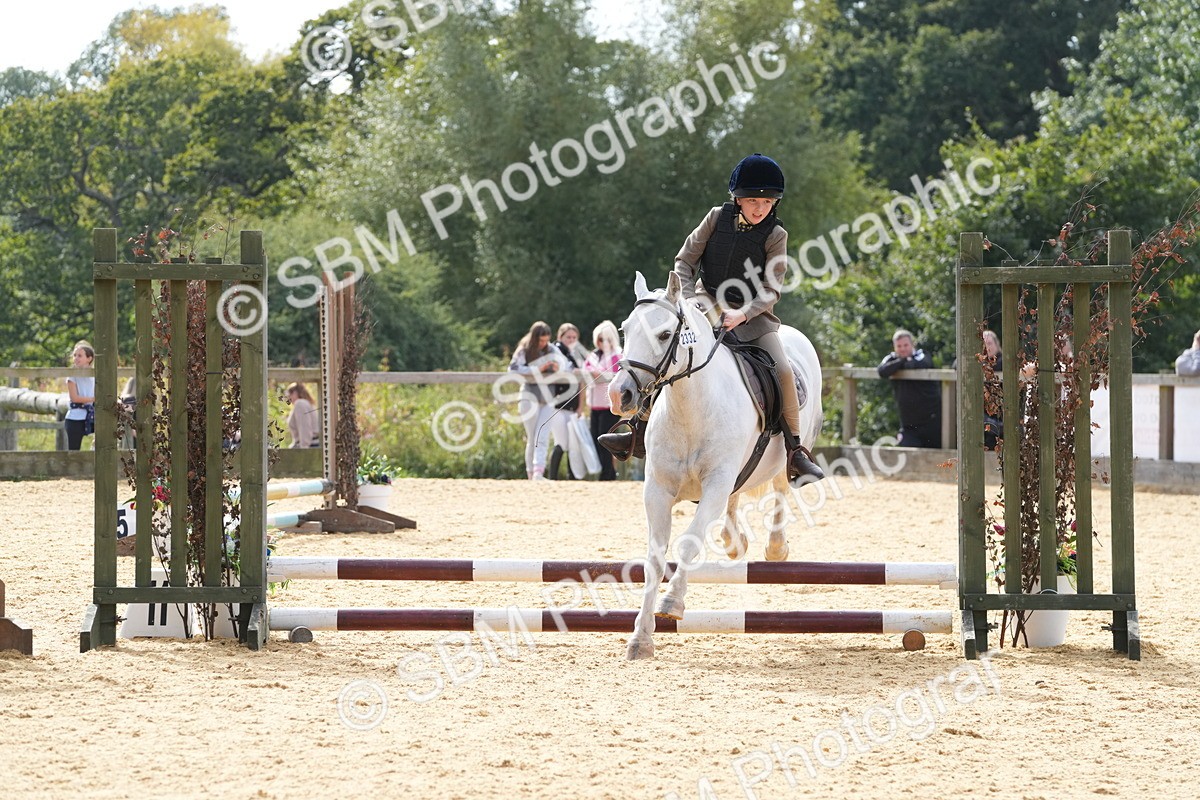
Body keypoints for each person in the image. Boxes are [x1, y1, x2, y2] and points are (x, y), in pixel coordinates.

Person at [598, 153, 825, 483]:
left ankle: (795, 452)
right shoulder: (716, 218)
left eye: (766, 201)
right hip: (703, 304)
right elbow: (684, 262)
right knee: (670, 357)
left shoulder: (776, 236)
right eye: (751, 200)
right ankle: (638, 430)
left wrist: (743, 313)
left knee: (785, 370)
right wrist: (691, 301)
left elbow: (771, 288)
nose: (759, 208)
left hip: (753, 316)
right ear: (738, 198)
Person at [509, 320, 568, 480]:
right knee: (532, 436)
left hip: (548, 397)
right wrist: (537, 369)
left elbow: (567, 365)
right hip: (529, 396)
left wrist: (558, 368)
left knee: (542, 436)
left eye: (546, 340)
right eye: (541, 340)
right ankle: (530, 472)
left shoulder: (551, 349)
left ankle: (538, 472)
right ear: (535, 338)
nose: (543, 344)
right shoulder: (524, 350)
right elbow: (513, 368)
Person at [878, 329, 942, 448]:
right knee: (906, 455)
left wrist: (900, 364)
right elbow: (882, 370)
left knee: (938, 460)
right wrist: (902, 360)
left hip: (932, 421)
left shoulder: (922, 354)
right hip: (909, 425)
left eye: (906, 345)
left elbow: (920, 364)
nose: (902, 349)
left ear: (912, 344)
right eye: (899, 346)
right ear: (894, 347)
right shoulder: (892, 358)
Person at [547, 323, 587, 479]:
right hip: (557, 405)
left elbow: (582, 383)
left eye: (574, 337)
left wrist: (580, 407)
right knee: (561, 443)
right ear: (560, 337)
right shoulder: (555, 352)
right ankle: (553, 477)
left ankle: (572, 477)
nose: (571, 340)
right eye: (568, 337)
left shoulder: (575, 355)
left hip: (573, 405)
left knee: (573, 444)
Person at [584, 320, 622, 481]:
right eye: (600, 339)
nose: (603, 343)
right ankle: (608, 473)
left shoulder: (618, 355)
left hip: (610, 405)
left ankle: (607, 475)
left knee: (605, 440)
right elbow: (584, 370)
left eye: (606, 339)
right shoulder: (593, 355)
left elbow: (613, 373)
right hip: (595, 404)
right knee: (594, 438)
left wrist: (595, 373)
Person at [64, 341, 96, 451]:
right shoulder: (72, 376)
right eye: (74, 355)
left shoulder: (96, 375)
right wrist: (93, 399)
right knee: (74, 451)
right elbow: (75, 398)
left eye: (79, 355)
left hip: (92, 415)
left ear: (89, 358)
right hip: (75, 417)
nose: (76, 358)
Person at [981, 330, 1004, 450]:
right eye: (983, 344)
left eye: (989, 343)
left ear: (997, 344)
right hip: (984, 418)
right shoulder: (976, 364)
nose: (987, 347)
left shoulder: (1005, 362)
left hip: (1003, 415)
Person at [285, 382, 321, 448]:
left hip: (309, 446)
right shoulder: (307, 404)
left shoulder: (300, 404)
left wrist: (303, 450)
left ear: (295, 393)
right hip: (312, 444)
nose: (289, 398)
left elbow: (305, 428)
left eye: (289, 395)